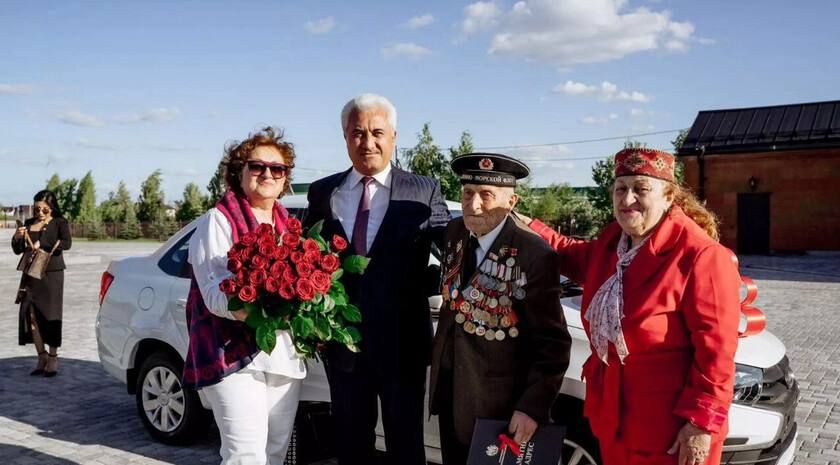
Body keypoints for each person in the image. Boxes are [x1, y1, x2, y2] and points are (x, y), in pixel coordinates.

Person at [519, 147, 741, 465]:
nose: (627, 199)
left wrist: (701, 423)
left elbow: (717, 355)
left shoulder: (700, 256)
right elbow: (566, 252)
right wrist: (524, 222)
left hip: (669, 433)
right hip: (614, 421)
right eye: (621, 189)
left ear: (668, 197)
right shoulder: (614, 244)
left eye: (641, 189)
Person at [302, 93, 450, 465]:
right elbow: (305, 260)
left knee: (405, 447)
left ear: (394, 136)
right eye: (358, 133)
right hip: (343, 348)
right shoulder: (323, 192)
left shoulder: (423, 190)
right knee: (350, 446)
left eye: (377, 132)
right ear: (345, 137)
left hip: (404, 347)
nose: (368, 142)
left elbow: (453, 251)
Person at [428, 152, 572, 465]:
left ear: (511, 202)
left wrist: (532, 407)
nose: (474, 204)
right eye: (467, 194)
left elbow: (553, 343)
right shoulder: (455, 233)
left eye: (486, 195)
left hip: (500, 405)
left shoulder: (534, 253)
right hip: (453, 393)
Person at [183, 127, 306, 465]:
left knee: (275, 452)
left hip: (281, 355)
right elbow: (213, 293)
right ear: (239, 173)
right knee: (245, 456)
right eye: (257, 166)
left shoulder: (289, 227)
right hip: (232, 354)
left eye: (276, 169)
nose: (267, 174)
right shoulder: (217, 222)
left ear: (284, 179)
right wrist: (262, 309)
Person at [12, 190, 72, 377]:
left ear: (51, 206)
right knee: (30, 315)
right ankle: (41, 356)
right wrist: (17, 237)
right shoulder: (29, 223)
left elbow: (67, 243)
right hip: (31, 273)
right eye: (36, 208)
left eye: (43, 209)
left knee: (51, 315)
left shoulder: (60, 222)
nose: (39, 212)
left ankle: (53, 357)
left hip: (51, 274)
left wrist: (44, 245)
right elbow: (18, 250)